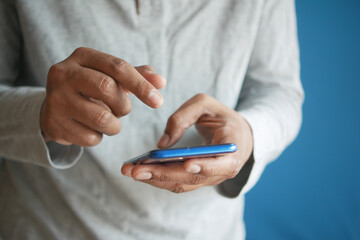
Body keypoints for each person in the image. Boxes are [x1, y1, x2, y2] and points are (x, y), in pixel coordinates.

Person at [0, 0, 303, 239]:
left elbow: (279, 91)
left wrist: (249, 132)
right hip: (46, 228)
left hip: (207, 232)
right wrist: (40, 113)